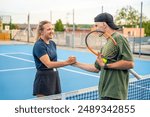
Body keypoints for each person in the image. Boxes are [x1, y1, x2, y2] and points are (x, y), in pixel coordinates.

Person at [73, 12, 134, 100]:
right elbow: (96, 68)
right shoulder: (105, 45)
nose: (95, 28)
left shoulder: (119, 38)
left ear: (104, 24)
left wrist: (105, 65)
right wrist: (74, 63)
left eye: (96, 25)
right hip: (104, 93)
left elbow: (129, 63)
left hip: (114, 94)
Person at [33, 20, 76, 97]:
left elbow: (54, 61)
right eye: (49, 29)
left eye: (52, 29)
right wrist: (67, 62)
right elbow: (49, 64)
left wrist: (69, 61)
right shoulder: (39, 46)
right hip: (44, 80)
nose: (52, 31)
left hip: (54, 77)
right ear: (41, 32)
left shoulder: (52, 44)